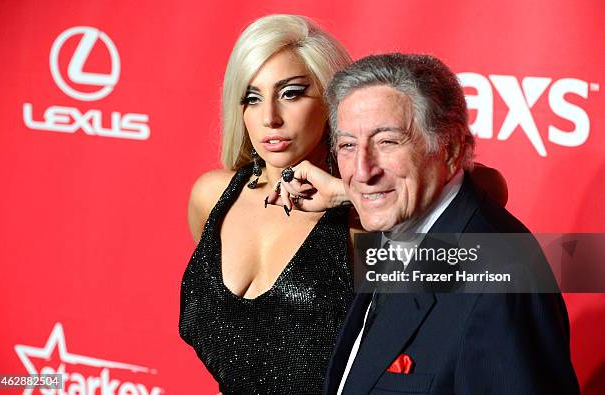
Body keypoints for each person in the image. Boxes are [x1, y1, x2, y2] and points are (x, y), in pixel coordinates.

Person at [275, 54, 580, 394]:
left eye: (387, 142)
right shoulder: (395, 230)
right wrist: (344, 194)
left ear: (448, 149)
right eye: (347, 146)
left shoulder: (501, 283)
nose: (362, 171)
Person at [178, 14, 356, 394]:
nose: (269, 118)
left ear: (333, 99)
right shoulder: (212, 197)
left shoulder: (363, 222)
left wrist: (348, 192)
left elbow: (498, 255)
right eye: (252, 98)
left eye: (291, 93)